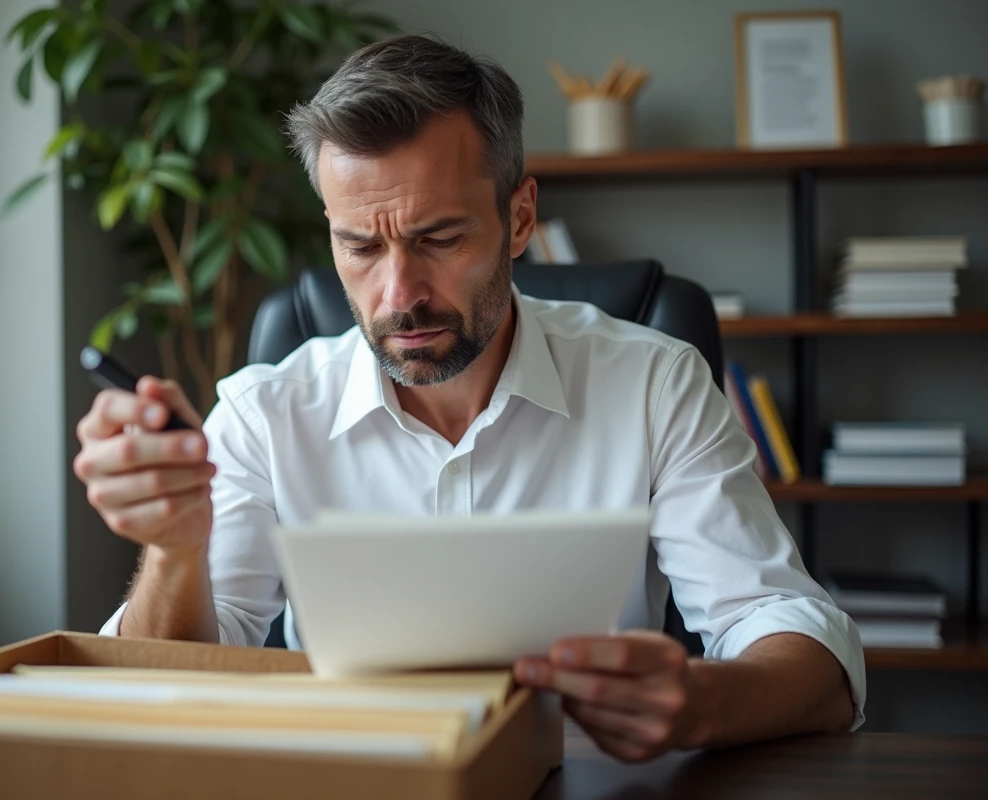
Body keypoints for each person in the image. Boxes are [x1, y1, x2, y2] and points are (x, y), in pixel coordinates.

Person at [74, 33, 865, 763]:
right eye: (360, 246)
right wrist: (176, 549)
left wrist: (703, 702)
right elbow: (169, 687)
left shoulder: (656, 384)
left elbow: (802, 644)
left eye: (440, 239)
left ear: (519, 217)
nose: (399, 294)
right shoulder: (261, 414)